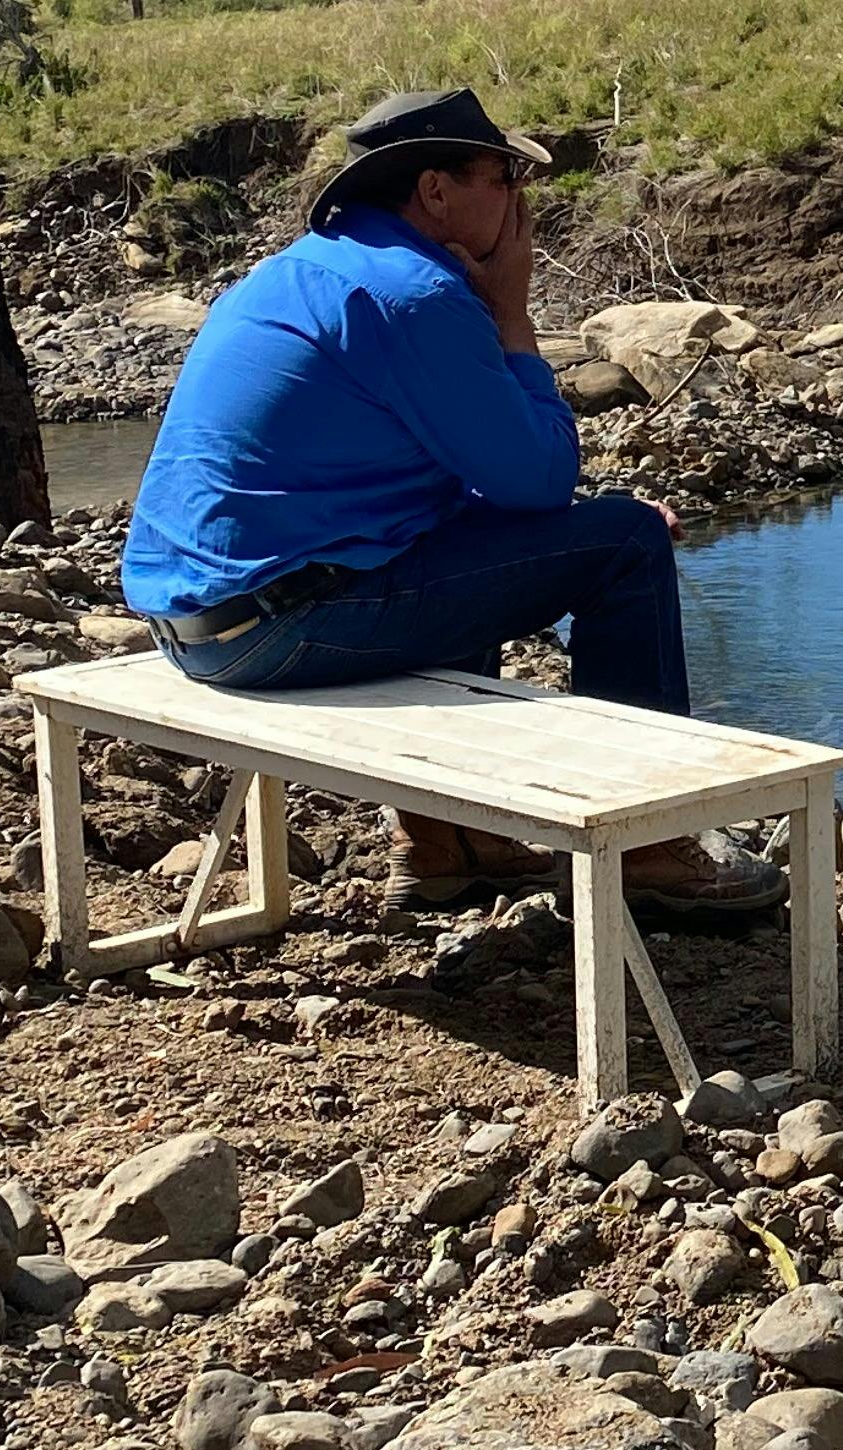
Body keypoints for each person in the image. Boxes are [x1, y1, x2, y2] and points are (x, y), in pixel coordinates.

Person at [119, 87, 784, 920]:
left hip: (196, 627)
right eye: (504, 178)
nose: (521, 203)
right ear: (436, 191)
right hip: (277, 631)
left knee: (467, 530)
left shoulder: (297, 273)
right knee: (624, 543)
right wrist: (512, 315)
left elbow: (485, 486)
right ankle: (646, 847)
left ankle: (449, 845)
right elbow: (541, 480)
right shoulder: (416, 296)